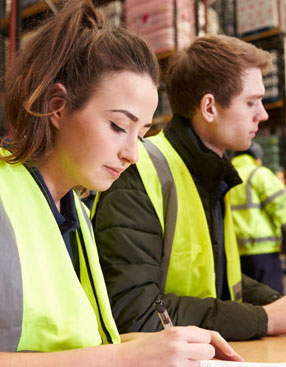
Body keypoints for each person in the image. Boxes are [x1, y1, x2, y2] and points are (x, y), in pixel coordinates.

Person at [0, 1, 242, 365]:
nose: (133, 154)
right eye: (118, 126)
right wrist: (125, 357)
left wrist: (173, 344)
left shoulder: (75, 215)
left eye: (142, 133)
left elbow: (79, 345)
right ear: (56, 107)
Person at [93, 34, 286, 342]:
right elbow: (136, 312)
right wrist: (264, 318)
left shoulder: (210, 175)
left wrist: (283, 304)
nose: (263, 114)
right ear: (210, 107)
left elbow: (221, 282)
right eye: (252, 102)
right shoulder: (138, 173)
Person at [230, 142, 286, 294]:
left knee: (245, 302)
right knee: (271, 298)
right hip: (263, 251)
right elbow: (282, 206)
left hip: (234, 253)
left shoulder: (226, 176)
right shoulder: (259, 174)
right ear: (257, 158)